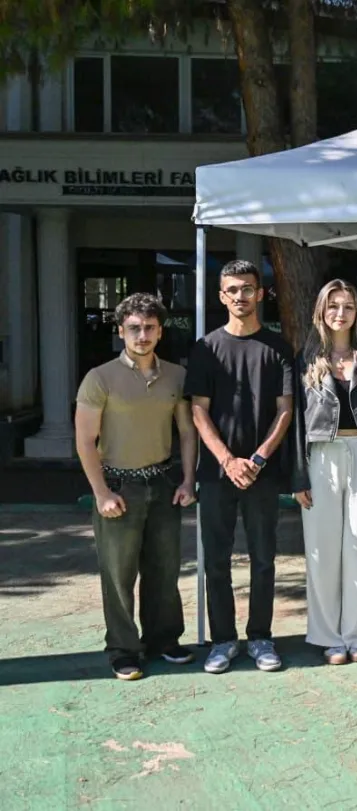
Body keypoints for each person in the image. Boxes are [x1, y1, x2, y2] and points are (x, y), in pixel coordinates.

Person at [74, 293, 197, 681]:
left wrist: (189, 479)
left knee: (164, 569)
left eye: (148, 327)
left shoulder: (176, 375)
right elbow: (84, 440)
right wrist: (101, 493)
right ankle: (124, 649)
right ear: (121, 329)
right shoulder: (100, 378)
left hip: (162, 483)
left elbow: (187, 432)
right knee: (118, 572)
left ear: (160, 331)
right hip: (117, 486)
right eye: (133, 328)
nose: (141, 335)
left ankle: (163, 639)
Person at [186, 259, 294, 675]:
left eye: (248, 288)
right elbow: (198, 411)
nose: (240, 296)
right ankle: (223, 641)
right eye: (232, 289)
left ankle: (261, 638)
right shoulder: (206, 348)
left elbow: (285, 411)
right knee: (216, 559)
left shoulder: (278, 348)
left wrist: (258, 458)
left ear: (260, 293)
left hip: (262, 473)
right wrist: (228, 460)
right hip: (218, 474)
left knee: (264, 557)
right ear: (221, 296)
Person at [293, 280, 357, 665]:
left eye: (348, 306)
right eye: (333, 306)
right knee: (322, 550)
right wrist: (299, 475)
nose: (340, 313)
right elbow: (295, 420)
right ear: (321, 311)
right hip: (321, 456)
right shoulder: (307, 360)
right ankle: (328, 636)